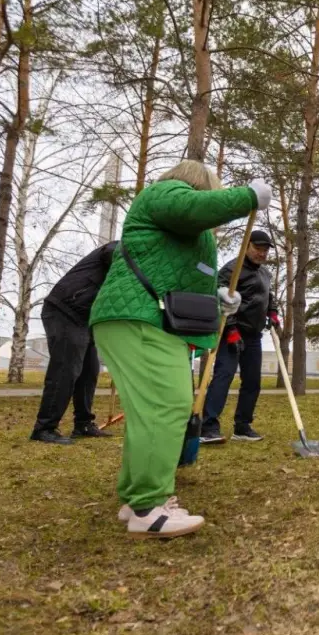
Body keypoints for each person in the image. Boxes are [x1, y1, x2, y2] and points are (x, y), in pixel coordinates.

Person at [89, 160, 271, 538]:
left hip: (144, 320)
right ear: (199, 185)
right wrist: (247, 196)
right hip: (138, 318)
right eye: (213, 191)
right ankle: (148, 506)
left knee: (150, 413)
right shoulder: (163, 195)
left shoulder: (182, 230)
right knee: (166, 406)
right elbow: (192, 208)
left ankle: (135, 498)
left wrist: (218, 297)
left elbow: (181, 275)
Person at [30, 241, 118, 444]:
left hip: (85, 318)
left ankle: (83, 424)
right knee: (66, 370)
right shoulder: (123, 248)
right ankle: (44, 428)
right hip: (64, 310)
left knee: (89, 372)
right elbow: (110, 252)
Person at [200, 229, 279, 443]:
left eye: (265, 250)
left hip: (253, 335)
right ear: (246, 246)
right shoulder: (232, 269)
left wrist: (272, 312)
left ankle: (242, 427)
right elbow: (222, 300)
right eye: (257, 249)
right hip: (231, 332)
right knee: (223, 376)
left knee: (252, 381)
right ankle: (208, 427)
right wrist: (232, 329)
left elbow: (268, 296)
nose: (261, 254)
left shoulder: (264, 273)